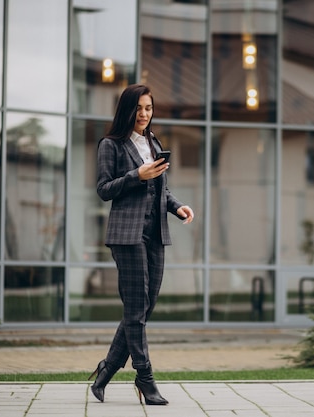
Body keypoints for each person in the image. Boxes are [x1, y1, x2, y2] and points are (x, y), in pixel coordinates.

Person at [89, 84, 194, 405]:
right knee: (136, 309)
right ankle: (145, 377)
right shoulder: (111, 145)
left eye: (148, 108)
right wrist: (137, 175)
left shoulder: (154, 142)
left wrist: (177, 207)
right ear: (127, 110)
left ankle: (106, 370)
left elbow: (161, 189)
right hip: (126, 235)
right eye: (138, 109)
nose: (144, 115)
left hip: (154, 234)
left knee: (145, 307)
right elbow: (104, 189)